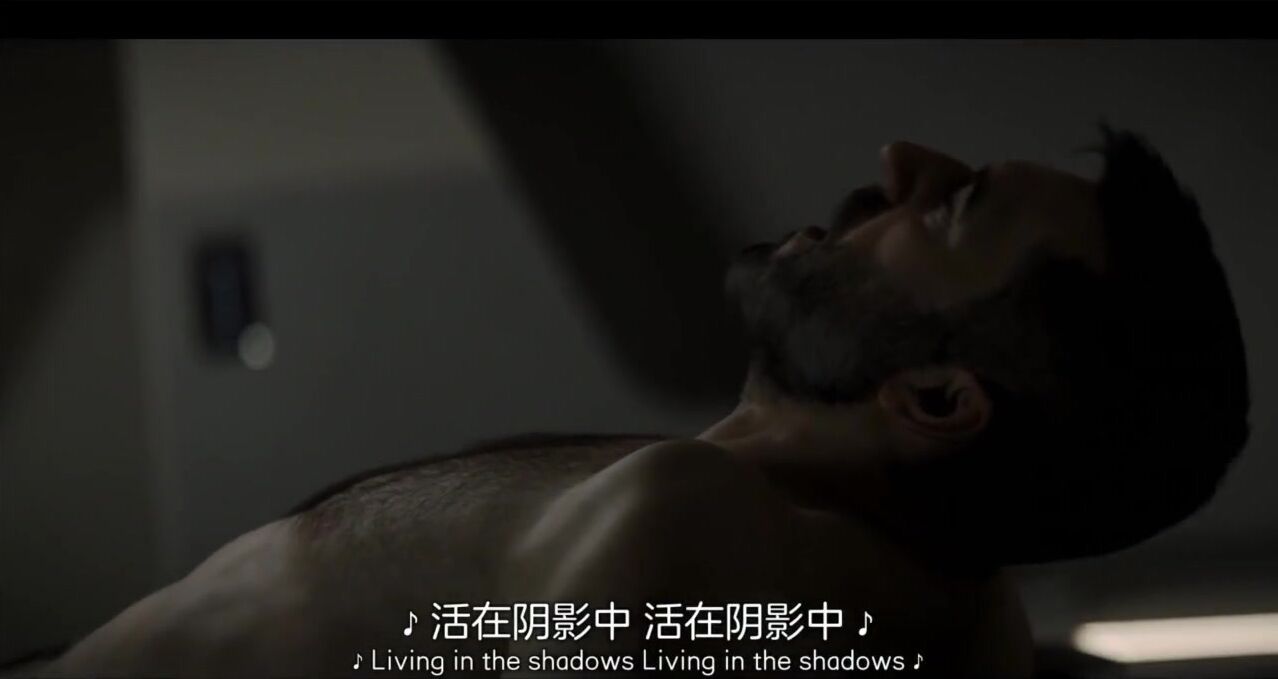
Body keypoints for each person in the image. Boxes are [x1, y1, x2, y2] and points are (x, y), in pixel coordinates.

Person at [42, 127, 1250, 678]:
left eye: (951, 208)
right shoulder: (943, 608)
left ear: (935, 394)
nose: (900, 164)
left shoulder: (691, 538)